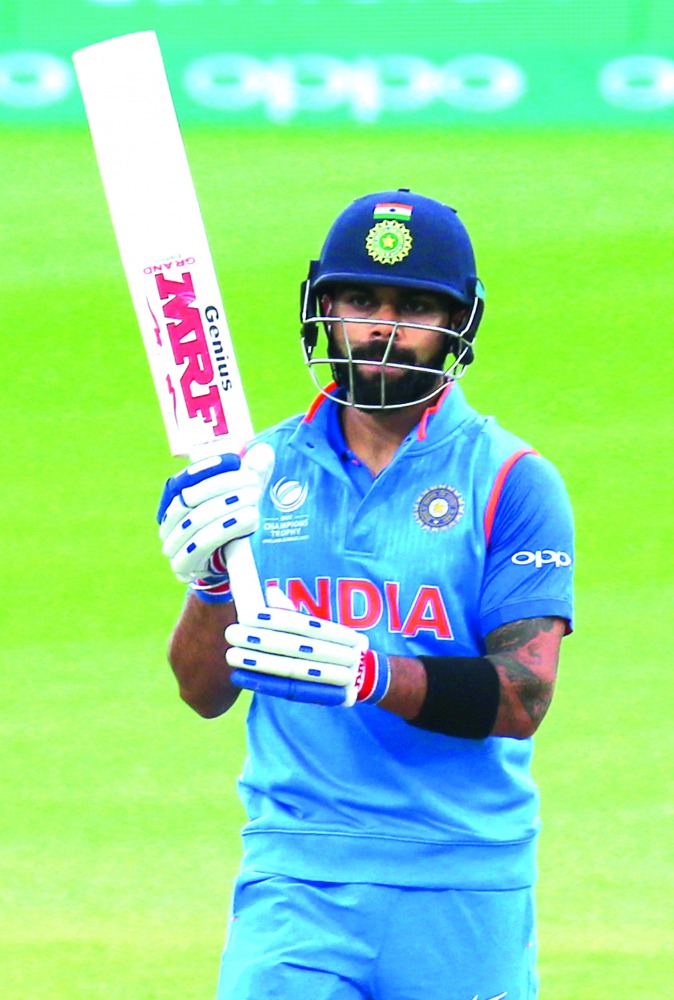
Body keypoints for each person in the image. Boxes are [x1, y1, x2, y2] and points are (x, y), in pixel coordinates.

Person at [158, 189, 574, 1000]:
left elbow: (523, 696)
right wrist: (212, 580)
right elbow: (201, 691)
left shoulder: (514, 480)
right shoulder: (254, 470)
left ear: (462, 323)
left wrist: (370, 672)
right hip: (296, 873)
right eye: (361, 299)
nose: (384, 327)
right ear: (324, 309)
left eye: (416, 305)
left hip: (462, 876)